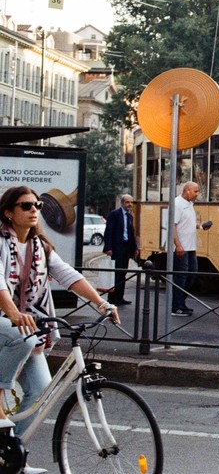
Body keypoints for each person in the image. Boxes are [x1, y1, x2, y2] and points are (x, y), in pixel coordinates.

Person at [0, 185, 118, 468]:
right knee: (26, 336)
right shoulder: (0, 241)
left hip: (28, 325)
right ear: (8, 213)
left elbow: (68, 275)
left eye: (37, 206)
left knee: (41, 394)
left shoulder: (41, 246)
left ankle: (11, 456)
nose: (34, 211)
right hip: (8, 321)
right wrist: (14, 312)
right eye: (26, 206)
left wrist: (101, 304)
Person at [171, 181, 202, 317]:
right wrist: (178, 245)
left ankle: (181, 303)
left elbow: (186, 224)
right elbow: (172, 226)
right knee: (181, 277)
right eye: (195, 191)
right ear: (187, 190)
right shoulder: (177, 204)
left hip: (190, 247)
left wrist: (200, 226)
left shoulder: (189, 205)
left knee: (192, 274)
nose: (197, 194)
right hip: (181, 248)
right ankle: (176, 306)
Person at [103, 194, 139, 306]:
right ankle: (112, 298)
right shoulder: (114, 214)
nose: (130, 205)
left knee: (123, 273)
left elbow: (131, 233)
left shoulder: (130, 216)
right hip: (116, 247)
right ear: (122, 203)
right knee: (116, 273)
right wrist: (108, 247)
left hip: (126, 247)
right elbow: (108, 231)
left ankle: (120, 297)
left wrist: (135, 248)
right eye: (128, 202)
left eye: (131, 202)